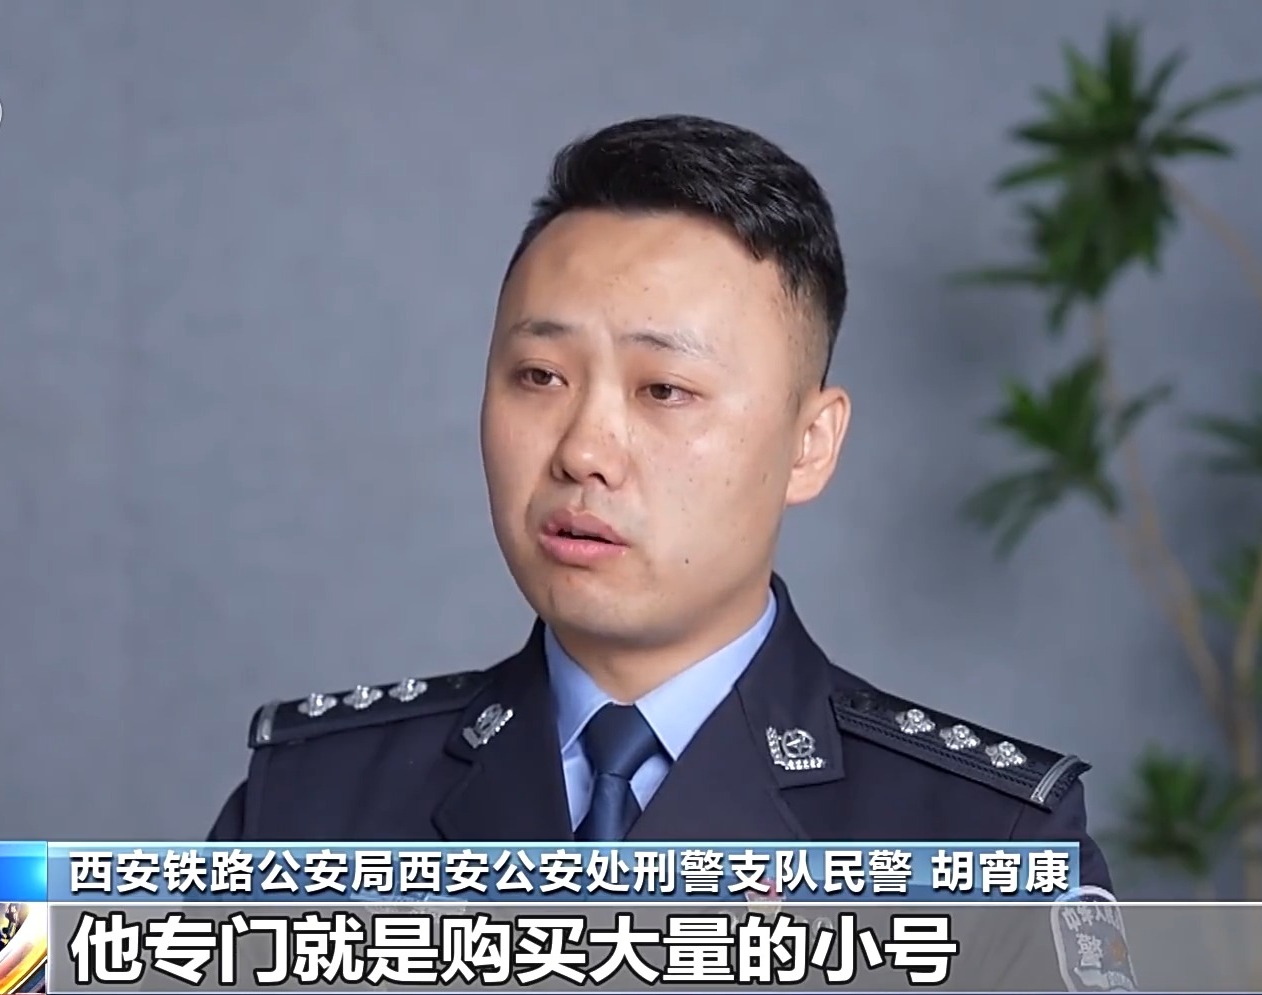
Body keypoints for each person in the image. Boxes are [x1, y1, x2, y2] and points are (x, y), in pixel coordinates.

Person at [209, 115, 1130, 990]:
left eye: (665, 390)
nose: (584, 451)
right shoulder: (309, 806)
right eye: (540, 376)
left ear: (809, 444)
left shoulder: (985, 841)